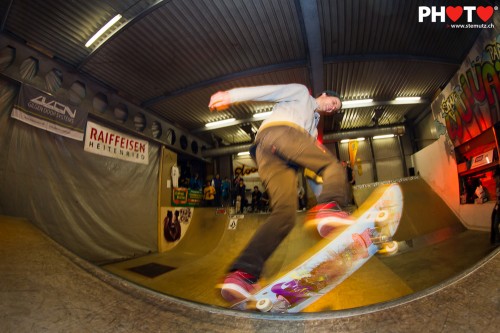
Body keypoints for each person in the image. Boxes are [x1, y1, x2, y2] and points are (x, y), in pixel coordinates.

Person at [209, 83, 350, 303]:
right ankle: (329, 206)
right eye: (333, 103)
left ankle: (242, 274)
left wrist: (323, 201)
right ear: (323, 95)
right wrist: (231, 95)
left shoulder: (312, 131)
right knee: (334, 166)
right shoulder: (302, 94)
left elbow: (314, 172)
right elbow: (269, 91)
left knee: (285, 214)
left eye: (335, 109)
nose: (332, 108)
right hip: (281, 134)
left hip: (267, 154)